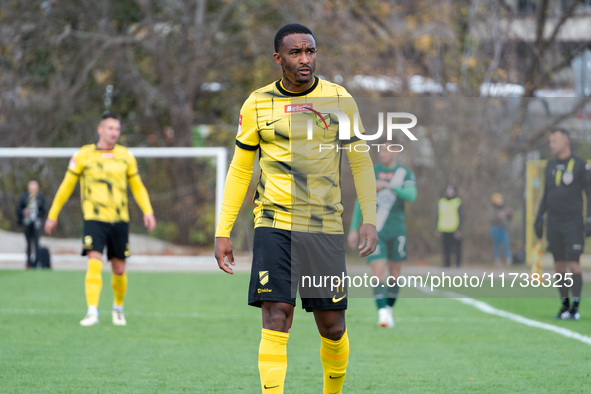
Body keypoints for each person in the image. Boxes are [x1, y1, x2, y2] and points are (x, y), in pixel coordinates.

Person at [214, 24, 378, 394]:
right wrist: (222, 230)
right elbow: (241, 170)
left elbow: (361, 162)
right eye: (295, 53)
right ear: (278, 59)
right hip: (273, 222)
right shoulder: (257, 103)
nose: (305, 59)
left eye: (310, 51)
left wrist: (370, 217)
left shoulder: (339, 100)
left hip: (324, 227)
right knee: (276, 317)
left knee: (332, 325)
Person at [44, 112, 156, 327]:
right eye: (110, 128)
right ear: (100, 129)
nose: (114, 132)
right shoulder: (84, 155)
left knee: (119, 269)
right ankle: (92, 311)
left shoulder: (125, 156)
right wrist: (53, 214)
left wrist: (148, 211)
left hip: (119, 219)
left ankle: (118, 308)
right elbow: (66, 186)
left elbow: (138, 187)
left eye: (117, 129)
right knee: (94, 260)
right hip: (94, 218)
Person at [348, 140, 416, 328]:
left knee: (394, 274)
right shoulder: (372, 171)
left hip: (397, 231)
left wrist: (389, 186)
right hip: (376, 231)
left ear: (395, 150)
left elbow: (411, 195)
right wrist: (354, 228)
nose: (382, 153)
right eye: (381, 149)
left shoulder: (405, 173)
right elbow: (359, 201)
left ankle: (388, 310)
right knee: (378, 272)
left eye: (386, 149)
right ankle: (383, 314)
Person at [535, 128, 591, 321]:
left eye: (554, 141)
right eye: (550, 141)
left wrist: (589, 218)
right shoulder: (550, 165)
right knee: (559, 266)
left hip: (573, 223)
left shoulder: (580, 165)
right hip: (554, 222)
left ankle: (575, 307)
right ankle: (565, 306)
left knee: (574, 265)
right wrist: (539, 217)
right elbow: (546, 194)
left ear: (565, 142)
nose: (551, 145)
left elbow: (589, 194)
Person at [16, 180, 47, 268]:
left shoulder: (40, 198)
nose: (33, 188)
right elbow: (18, 208)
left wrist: (38, 216)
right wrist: (24, 212)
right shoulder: (24, 197)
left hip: (37, 223)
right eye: (31, 185)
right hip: (26, 222)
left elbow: (44, 209)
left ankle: (37, 262)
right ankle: (29, 262)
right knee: (29, 243)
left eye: (34, 185)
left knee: (36, 243)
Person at [436, 185, 463, 267]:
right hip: (444, 228)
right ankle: (447, 264)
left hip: (454, 228)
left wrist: (459, 228)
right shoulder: (442, 201)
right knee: (445, 248)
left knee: (457, 249)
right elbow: (438, 215)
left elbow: (461, 216)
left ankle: (458, 264)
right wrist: (437, 228)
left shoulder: (457, 201)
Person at [489, 193, 513, 265]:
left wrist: (509, 213)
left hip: (503, 228)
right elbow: (491, 219)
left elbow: (510, 218)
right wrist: (498, 216)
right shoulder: (493, 209)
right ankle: (497, 259)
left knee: (506, 243)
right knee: (496, 244)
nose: (500, 201)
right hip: (495, 228)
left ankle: (508, 259)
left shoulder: (505, 208)